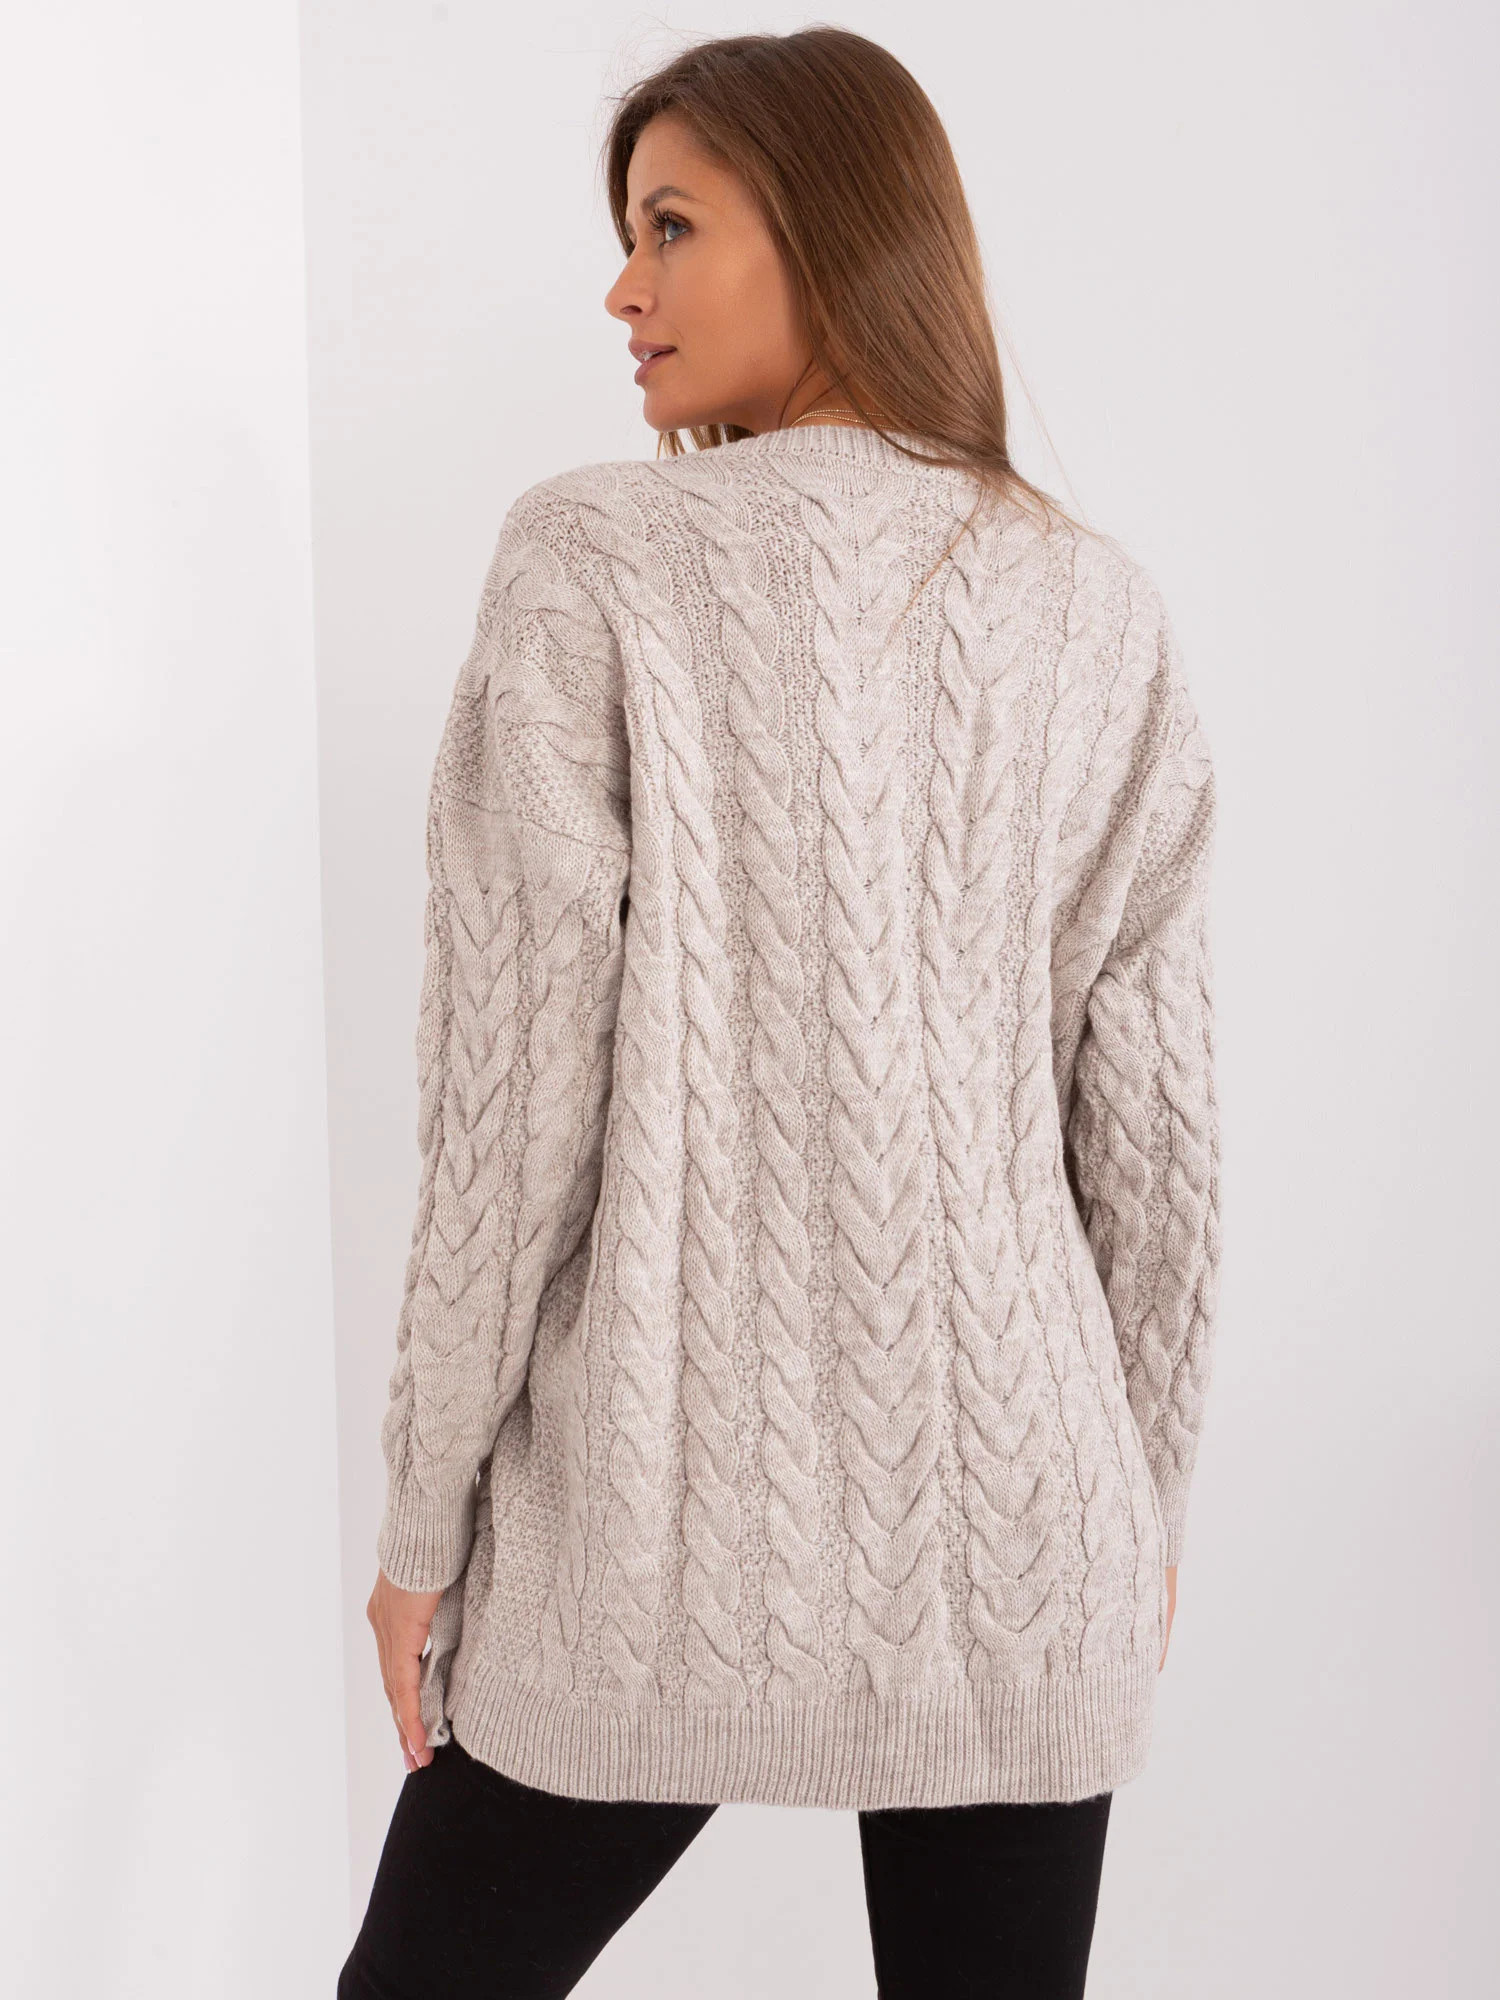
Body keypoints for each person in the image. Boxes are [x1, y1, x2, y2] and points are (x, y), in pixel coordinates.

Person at [340, 25, 1221, 2000]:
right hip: (1029, 1543)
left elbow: (510, 1105)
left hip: (645, 1547)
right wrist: (1141, 1506)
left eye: (670, 226)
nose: (621, 288)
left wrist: (419, 1523)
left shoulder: (594, 558)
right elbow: (1156, 1149)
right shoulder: (1100, 608)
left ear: (828, 231)